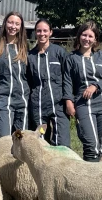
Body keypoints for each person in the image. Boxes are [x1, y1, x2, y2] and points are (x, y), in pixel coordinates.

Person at [63, 20, 102, 161]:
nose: (87, 39)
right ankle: (88, 178)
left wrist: (96, 86)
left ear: (95, 40)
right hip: (83, 104)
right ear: (79, 36)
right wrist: (69, 102)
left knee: (101, 146)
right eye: (84, 35)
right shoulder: (71, 58)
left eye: (90, 36)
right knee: (91, 145)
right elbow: (67, 82)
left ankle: (101, 177)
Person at [27, 19, 71, 147]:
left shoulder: (59, 52)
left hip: (59, 104)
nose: (42, 34)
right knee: (41, 142)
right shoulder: (30, 56)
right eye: (39, 31)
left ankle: (63, 166)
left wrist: (69, 99)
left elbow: (68, 77)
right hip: (39, 104)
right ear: (35, 33)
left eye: (45, 31)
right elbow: (28, 80)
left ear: (50, 32)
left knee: (62, 142)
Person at [0, 11, 29, 138]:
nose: (13, 26)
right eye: (10, 22)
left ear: (21, 27)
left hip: (23, 100)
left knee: (22, 139)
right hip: (3, 99)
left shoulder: (24, 45)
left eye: (17, 24)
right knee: (4, 138)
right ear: (5, 24)